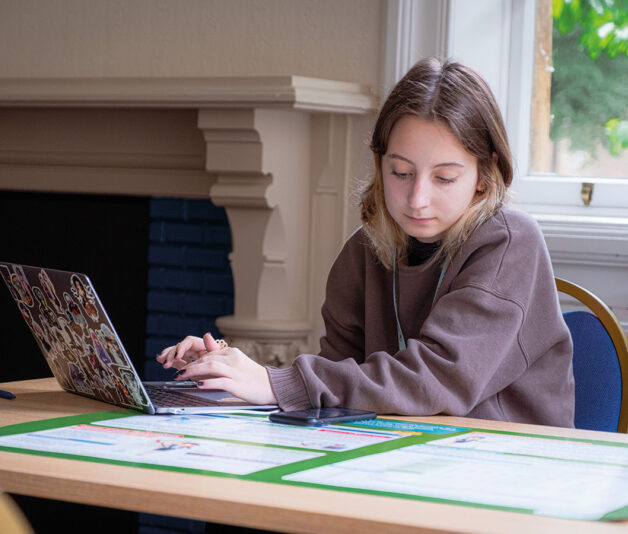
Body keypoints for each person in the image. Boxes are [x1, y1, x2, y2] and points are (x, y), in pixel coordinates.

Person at [157, 57, 575, 427]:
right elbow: (338, 383)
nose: (417, 199)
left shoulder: (510, 244)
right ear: (380, 164)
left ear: (485, 175)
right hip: (402, 459)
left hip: (505, 473)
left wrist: (275, 383)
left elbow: (437, 381)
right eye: (400, 172)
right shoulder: (364, 250)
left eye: (444, 178)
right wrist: (232, 375)